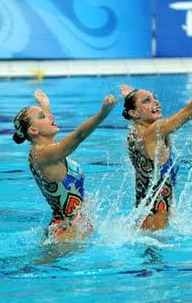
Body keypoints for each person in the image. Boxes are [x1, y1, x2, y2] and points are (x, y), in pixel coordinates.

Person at [120, 62, 192, 231]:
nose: (156, 103)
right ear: (134, 113)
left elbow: (136, 113)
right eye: (147, 101)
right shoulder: (155, 131)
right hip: (156, 229)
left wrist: (131, 96)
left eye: (155, 98)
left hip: (143, 221)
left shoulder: (135, 134)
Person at [13, 89, 118, 241]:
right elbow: (79, 136)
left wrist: (45, 105)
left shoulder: (39, 151)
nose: (51, 117)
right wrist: (103, 114)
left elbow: (44, 132)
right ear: (33, 130)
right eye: (43, 116)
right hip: (69, 235)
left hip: (64, 228)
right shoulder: (47, 155)